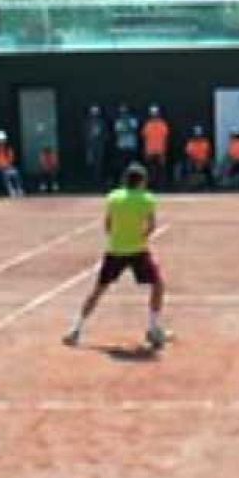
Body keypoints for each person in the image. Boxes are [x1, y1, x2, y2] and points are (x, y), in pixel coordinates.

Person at [64, 163, 169, 352]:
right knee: (158, 285)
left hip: (114, 251)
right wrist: (140, 237)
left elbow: (108, 225)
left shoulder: (113, 197)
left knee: (99, 289)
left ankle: (76, 330)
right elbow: (151, 226)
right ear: (142, 181)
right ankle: (153, 327)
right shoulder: (147, 199)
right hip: (138, 250)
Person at [141, 105, 170, 190]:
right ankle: (151, 186)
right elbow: (144, 137)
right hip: (150, 151)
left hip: (160, 151)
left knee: (160, 171)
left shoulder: (162, 124)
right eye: (153, 113)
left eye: (155, 113)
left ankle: (161, 187)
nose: (154, 115)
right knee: (150, 170)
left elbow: (165, 137)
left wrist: (164, 151)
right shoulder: (148, 124)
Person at [0, 130, 24, 198]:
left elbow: (11, 158)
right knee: (6, 175)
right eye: (0, 140)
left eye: (3, 139)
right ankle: (11, 190)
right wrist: (0, 165)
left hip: (7, 166)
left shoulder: (8, 148)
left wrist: (7, 165)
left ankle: (19, 189)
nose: (2, 141)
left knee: (15, 173)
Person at [113, 104, 141, 176]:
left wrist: (126, 126)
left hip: (131, 145)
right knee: (121, 164)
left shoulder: (133, 120)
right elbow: (117, 131)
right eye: (122, 112)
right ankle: (122, 179)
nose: (123, 113)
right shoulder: (118, 121)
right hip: (121, 145)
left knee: (131, 164)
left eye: (125, 111)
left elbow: (134, 129)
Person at [84, 105, 107, 188]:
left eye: (96, 112)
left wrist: (101, 141)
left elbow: (105, 134)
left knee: (99, 163)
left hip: (99, 145)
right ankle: (91, 180)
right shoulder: (87, 122)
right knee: (90, 162)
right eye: (93, 112)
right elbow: (85, 134)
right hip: (90, 145)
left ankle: (98, 180)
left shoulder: (102, 122)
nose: (94, 114)